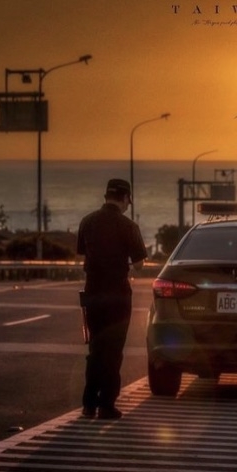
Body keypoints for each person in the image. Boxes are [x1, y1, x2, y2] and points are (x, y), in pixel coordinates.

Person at [77, 178, 148, 419]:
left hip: (92, 293)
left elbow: (83, 253)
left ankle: (88, 404)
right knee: (113, 351)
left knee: (96, 348)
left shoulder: (87, 221)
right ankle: (106, 404)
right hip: (118, 296)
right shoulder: (128, 226)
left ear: (106, 196)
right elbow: (138, 265)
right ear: (126, 198)